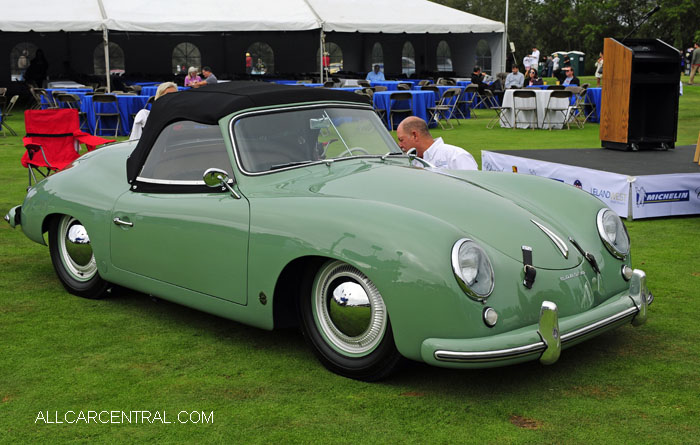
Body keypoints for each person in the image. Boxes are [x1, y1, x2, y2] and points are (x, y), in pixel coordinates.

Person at [396, 116, 478, 170]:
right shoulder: (411, 161)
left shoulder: (457, 156)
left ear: (415, 135)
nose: (400, 145)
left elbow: (475, 188)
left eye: (401, 140)